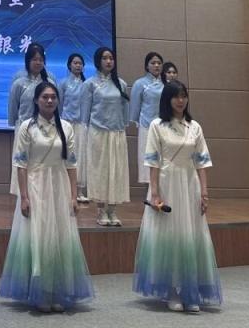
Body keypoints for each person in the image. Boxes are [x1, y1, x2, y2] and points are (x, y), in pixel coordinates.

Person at [0, 81, 94, 312]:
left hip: (59, 185)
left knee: (59, 235)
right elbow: (20, 165)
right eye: (45, 97)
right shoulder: (27, 127)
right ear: (36, 100)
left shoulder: (66, 127)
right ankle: (39, 292)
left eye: (53, 97)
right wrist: (24, 196)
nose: (50, 100)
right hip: (36, 184)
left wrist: (74, 195)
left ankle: (56, 291)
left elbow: (71, 164)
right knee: (39, 235)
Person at [133, 81, 222, 313]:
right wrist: (154, 192)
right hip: (166, 183)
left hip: (189, 184)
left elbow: (202, 161)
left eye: (184, 96)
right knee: (170, 235)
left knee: (190, 234)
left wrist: (204, 191)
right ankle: (172, 290)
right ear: (167, 99)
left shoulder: (195, 127)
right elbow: (152, 161)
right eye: (176, 96)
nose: (180, 100)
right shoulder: (157, 125)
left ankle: (190, 290)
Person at [81, 46, 131, 226]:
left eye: (111, 58)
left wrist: (122, 127)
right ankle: (101, 211)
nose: (109, 61)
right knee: (100, 172)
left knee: (116, 172)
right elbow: (85, 113)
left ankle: (113, 211)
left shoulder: (121, 84)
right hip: (97, 133)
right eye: (105, 58)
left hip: (117, 134)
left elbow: (125, 112)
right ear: (98, 61)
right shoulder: (90, 84)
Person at [7, 43, 50, 194]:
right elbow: (13, 107)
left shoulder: (49, 81)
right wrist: (15, 124)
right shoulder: (19, 82)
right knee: (23, 164)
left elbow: (55, 107)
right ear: (28, 61)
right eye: (34, 59)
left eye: (41, 60)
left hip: (45, 130)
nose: (38, 62)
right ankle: (23, 197)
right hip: (24, 129)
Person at [130, 52, 165, 184]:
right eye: (153, 63)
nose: (156, 65)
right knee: (148, 161)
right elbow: (135, 107)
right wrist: (137, 122)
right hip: (146, 126)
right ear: (147, 66)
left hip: (164, 127)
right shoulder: (139, 84)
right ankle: (149, 192)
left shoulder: (166, 84)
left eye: (159, 63)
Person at [60, 52, 90, 204]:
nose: (78, 66)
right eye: (75, 63)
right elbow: (59, 105)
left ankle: (79, 191)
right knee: (67, 155)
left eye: (80, 63)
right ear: (69, 65)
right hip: (66, 124)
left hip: (82, 125)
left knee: (81, 156)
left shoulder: (87, 84)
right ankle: (66, 190)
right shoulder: (64, 83)